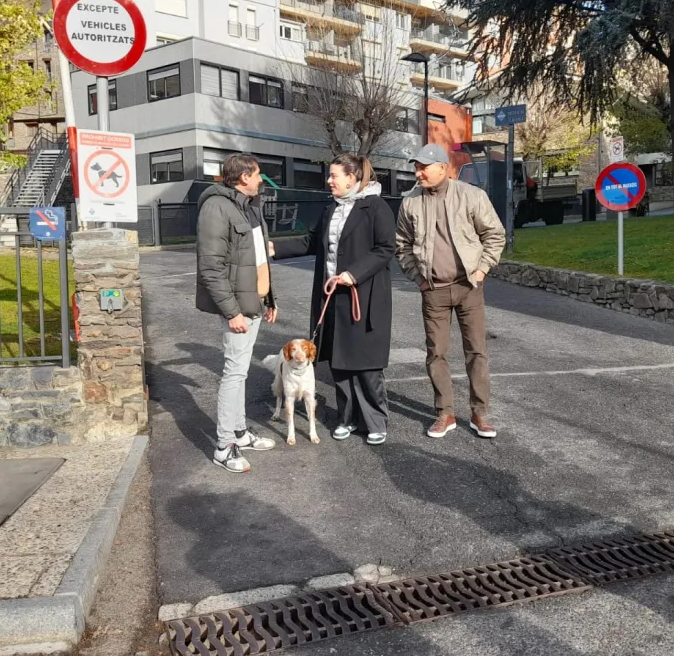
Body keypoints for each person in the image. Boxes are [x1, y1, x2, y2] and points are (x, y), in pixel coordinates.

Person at [271, 154, 395, 445]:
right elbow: (312, 242)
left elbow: (386, 247)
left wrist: (354, 273)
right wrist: (275, 247)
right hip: (331, 297)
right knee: (339, 361)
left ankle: (375, 421)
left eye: (334, 176)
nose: (329, 181)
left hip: (363, 296)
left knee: (365, 363)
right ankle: (346, 418)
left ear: (352, 178)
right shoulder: (331, 209)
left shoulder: (375, 206)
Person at [395, 143, 505, 440]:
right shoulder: (410, 202)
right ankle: (444, 413)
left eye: (423, 167)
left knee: (476, 351)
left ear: (443, 167)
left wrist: (481, 271)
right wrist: (418, 278)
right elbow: (402, 245)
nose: (418, 173)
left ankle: (480, 412)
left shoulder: (472, 196)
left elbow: (494, 235)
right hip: (433, 290)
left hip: (469, 286)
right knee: (436, 354)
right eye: (416, 167)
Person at [195, 153, 278, 473]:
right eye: (257, 174)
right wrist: (232, 312)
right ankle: (224, 445)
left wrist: (269, 299)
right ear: (243, 177)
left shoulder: (249, 206)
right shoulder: (217, 208)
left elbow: (257, 259)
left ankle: (239, 433)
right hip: (238, 308)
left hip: (253, 303)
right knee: (233, 373)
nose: (261, 180)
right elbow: (211, 268)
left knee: (240, 372)